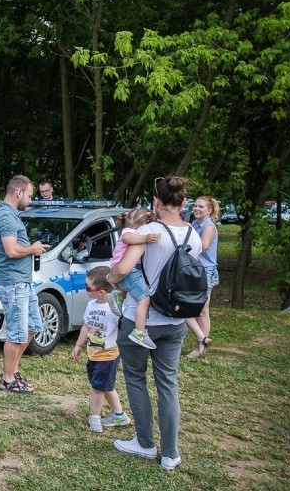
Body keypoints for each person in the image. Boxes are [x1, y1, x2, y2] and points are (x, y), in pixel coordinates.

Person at [107, 175, 202, 471]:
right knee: (168, 385)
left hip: (141, 320)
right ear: (184, 202)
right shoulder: (194, 236)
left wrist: (110, 280)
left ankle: (145, 444)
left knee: (135, 378)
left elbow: (122, 269)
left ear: (156, 202)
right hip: (175, 320)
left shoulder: (149, 230)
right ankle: (171, 454)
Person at [0, 175, 49, 394]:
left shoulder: (7, 214)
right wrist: (32, 249)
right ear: (18, 193)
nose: (31, 200)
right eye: (30, 195)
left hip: (22, 282)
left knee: (33, 326)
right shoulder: (5, 216)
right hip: (13, 284)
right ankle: (7, 379)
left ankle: (12, 371)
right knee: (17, 333)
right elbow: (11, 250)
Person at [71, 266, 131, 432]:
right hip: (94, 354)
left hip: (108, 355)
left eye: (87, 288)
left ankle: (95, 417)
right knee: (106, 386)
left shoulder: (116, 309)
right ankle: (119, 415)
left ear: (102, 292)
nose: (85, 290)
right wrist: (78, 345)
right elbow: (86, 326)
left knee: (98, 388)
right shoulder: (91, 305)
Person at [107, 208, 161, 349]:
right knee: (144, 299)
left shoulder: (130, 231)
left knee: (132, 289)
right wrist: (145, 238)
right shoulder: (129, 232)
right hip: (128, 272)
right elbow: (127, 239)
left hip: (126, 272)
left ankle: (119, 296)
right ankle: (139, 332)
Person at [185, 196, 219, 358]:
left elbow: (203, 247)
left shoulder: (209, 226)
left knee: (202, 310)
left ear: (210, 210)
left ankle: (201, 347)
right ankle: (202, 339)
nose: (196, 209)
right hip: (195, 270)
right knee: (193, 308)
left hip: (205, 272)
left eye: (201, 207)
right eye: (195, 206)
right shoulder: (196, 224)